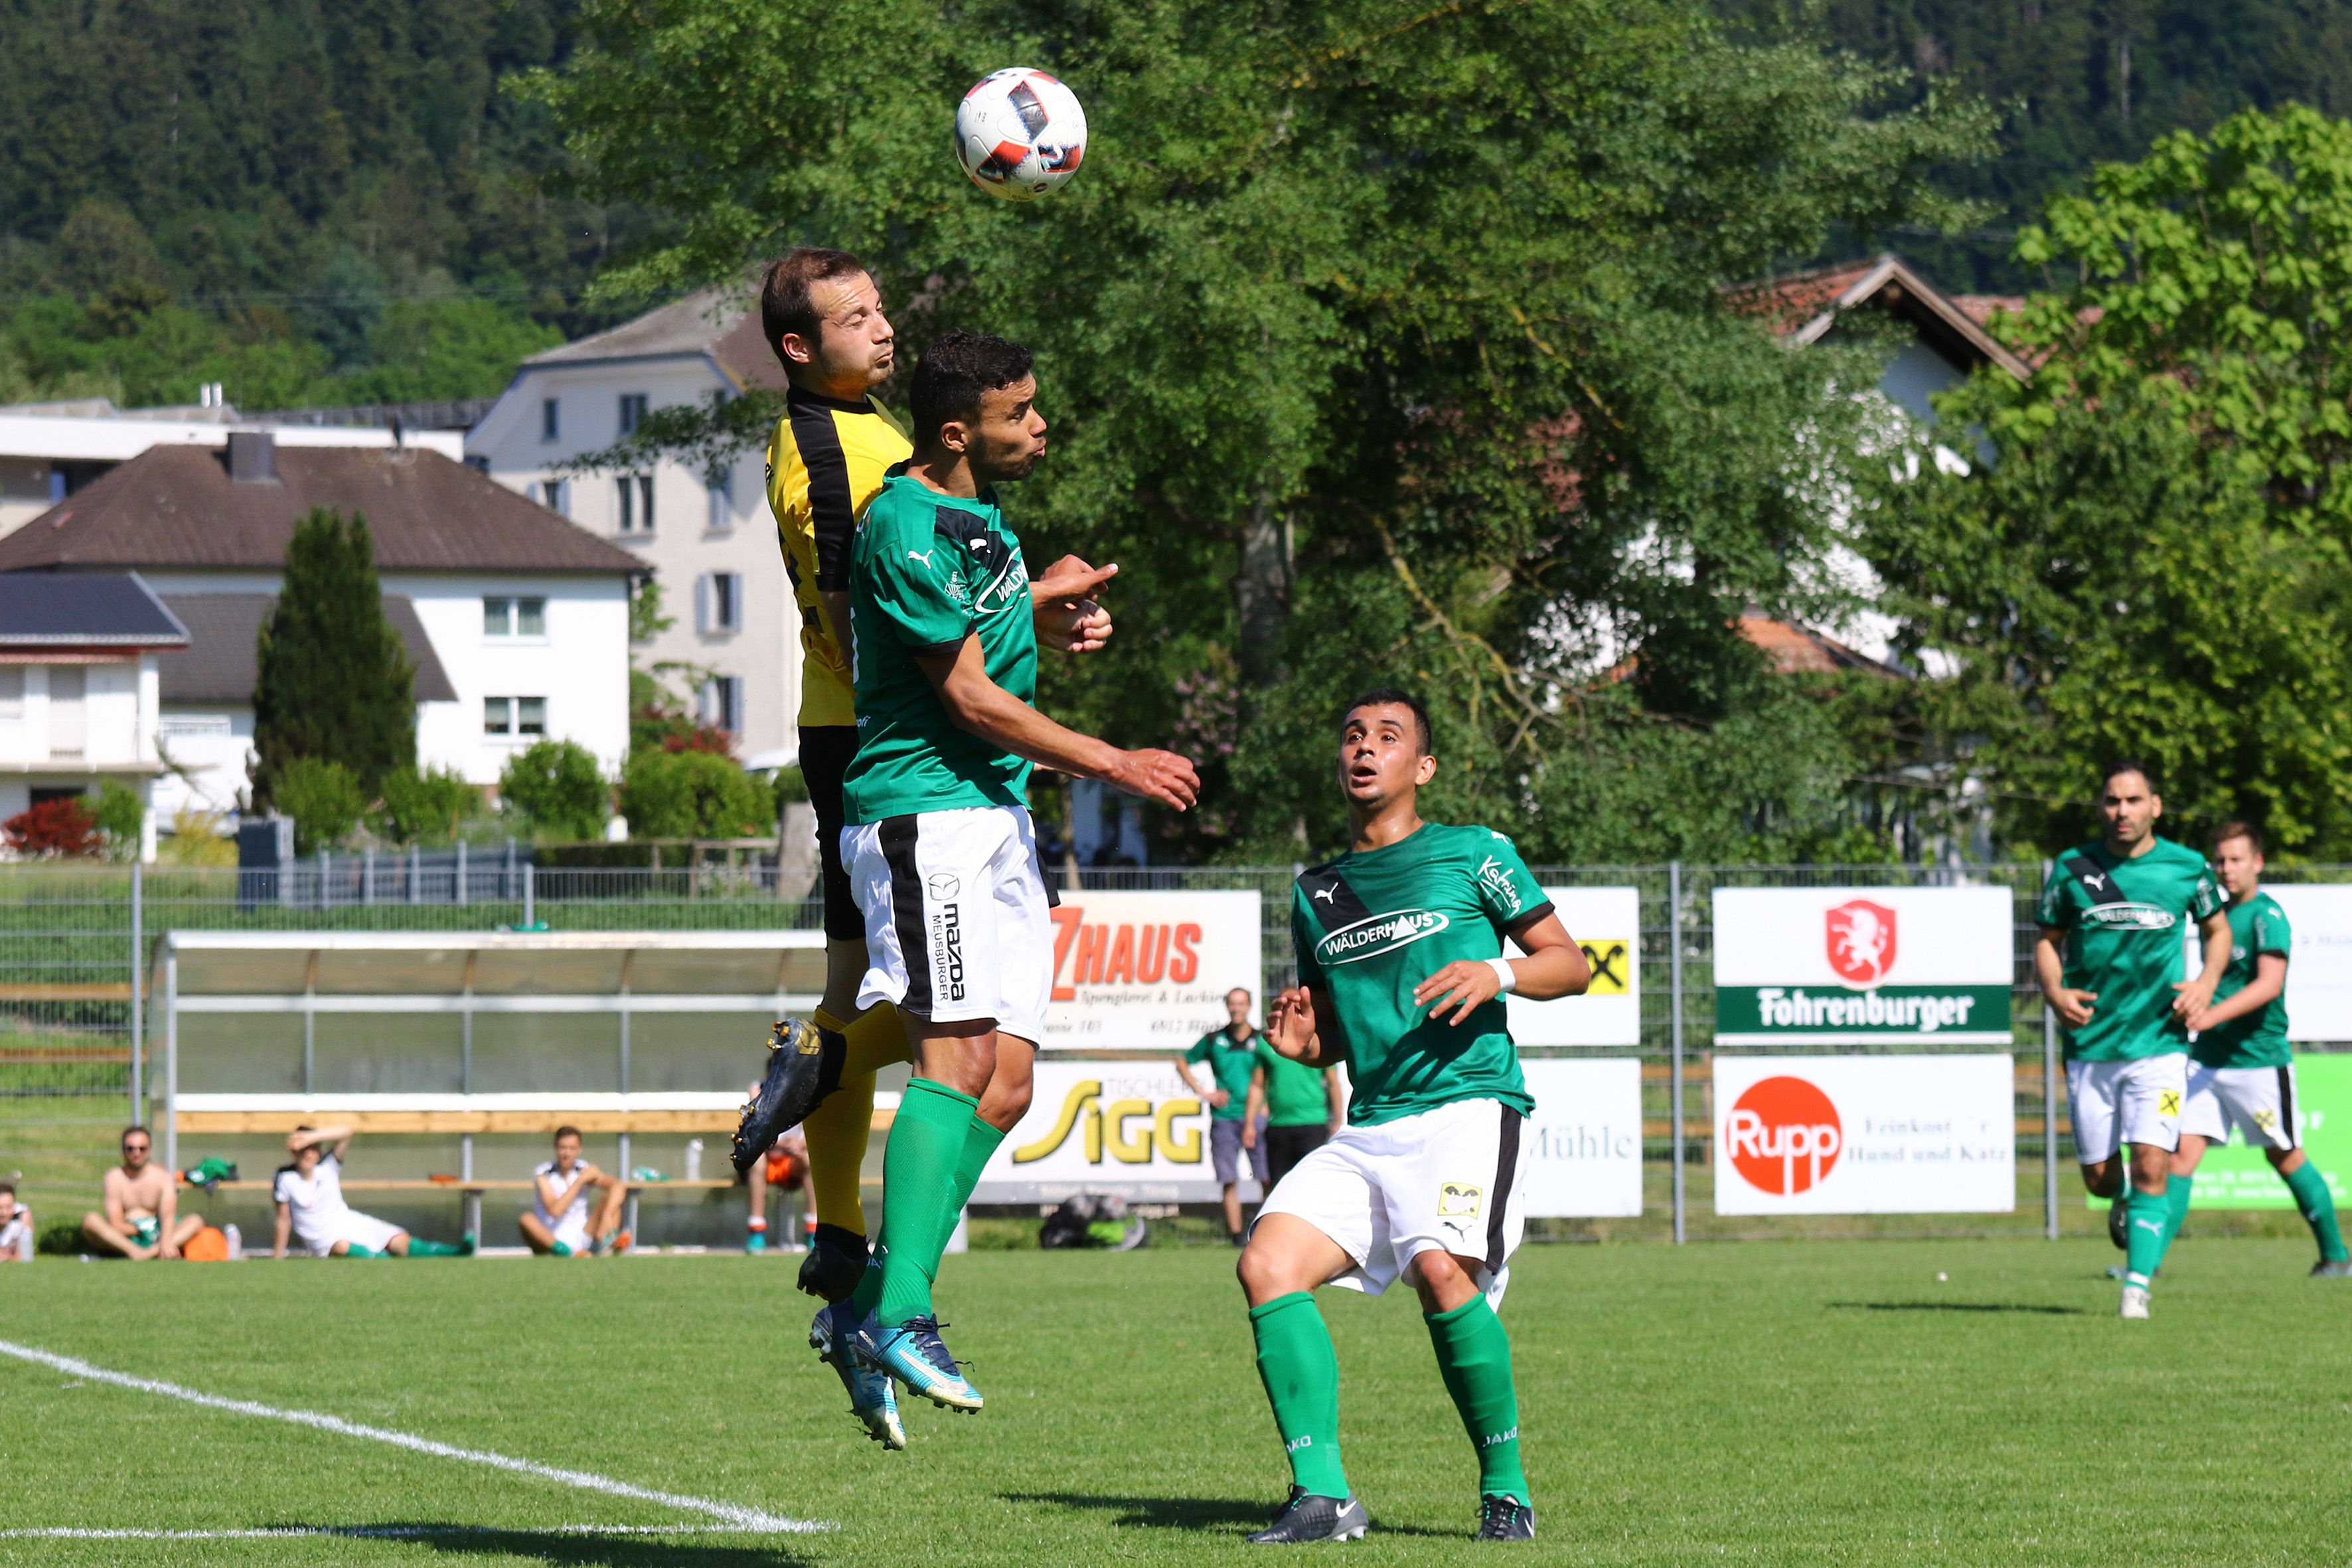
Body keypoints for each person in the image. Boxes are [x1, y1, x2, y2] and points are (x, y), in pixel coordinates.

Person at [811, 329, 1198, 1449]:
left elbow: (979, 641)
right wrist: (1114, 759)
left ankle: (870, 1305)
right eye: (1018, 413)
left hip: (997, 819)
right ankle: (900, 1309)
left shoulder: (981, 519)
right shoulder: (901, 522)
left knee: (1008, 1085)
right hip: (923, 818)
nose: (1039, 426)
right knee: (953, 1064)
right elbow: (968, 698)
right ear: (955, 431)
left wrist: (1046, 612)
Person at [734, 249, 1126, 1314]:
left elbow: (930, 597)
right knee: (892, 1009)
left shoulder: (869, 430)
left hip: (921, 744)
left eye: (880, 308)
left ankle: (854, 1239)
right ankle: (844, 1226)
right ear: (797, 347)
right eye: (854, 317)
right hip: (875, 740)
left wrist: (1023, 606)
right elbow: (866, 619)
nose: (884, 327)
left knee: (951, 1038)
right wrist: (1008, 634)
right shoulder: (825, 452)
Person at [1237, 688, 1589, 1544]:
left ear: (1422, 766)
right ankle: (1322, 1496)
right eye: (1353, 734)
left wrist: (1498, 972)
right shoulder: (1317, 890)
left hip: (1469, 1105)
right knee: (1266, 1263)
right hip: (1372, 1123)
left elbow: (1570, 964)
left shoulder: (1474, 853)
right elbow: (1332, 1031)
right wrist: (1305, 1046)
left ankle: (1506, 1492)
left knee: (1440, 1271)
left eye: (1387, 736)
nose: (1365, 748)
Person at [2035, 761, 2231, 1320]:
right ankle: (2119, 1201)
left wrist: (2205, 984)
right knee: (2100, 1180)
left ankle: (2136, 1289)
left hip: (2161, 1045)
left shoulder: (2186, 867)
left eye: (2133, 800)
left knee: (2151, 1164)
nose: (2121, 811)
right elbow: (2047, 940)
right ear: (2100, 807)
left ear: (2155, 806)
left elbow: (2217, 930)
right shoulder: (2073, 868)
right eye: (2111, 801)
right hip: (2090, 1047)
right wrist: (2053, 991)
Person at [2171, 823, 2351, 1276]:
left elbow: (2269, 985)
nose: (2226, 869)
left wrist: (2209, 1015)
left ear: (2257, 863)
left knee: (2284, 1155)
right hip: (2208, 1061)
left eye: (2236, 860)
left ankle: (2336, 1257)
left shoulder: (2265, 915)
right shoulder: (2218, 918)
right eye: (2219, 861)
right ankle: (2144, 1265)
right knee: (2179, 1156)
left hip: (2258, 1064)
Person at [271, 1127, 471, 1259]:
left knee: (399, 1241)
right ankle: (383, 1261)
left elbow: (347, 1131)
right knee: (342, 1247)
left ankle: (455, 1252)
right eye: (303, 1149)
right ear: (294, 1152)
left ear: (318, 1150)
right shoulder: (285, 1177)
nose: (308, 1154)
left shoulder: (327, 1166)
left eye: (312, 1148)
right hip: (325, 1241)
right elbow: (283, 1219)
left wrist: (312, 1136)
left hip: (349, 1222)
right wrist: (278, 1257)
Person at [1177, 988, 1269, 1245]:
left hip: (1256, 1118)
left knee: (1266, 1177)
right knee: (1229, 1179)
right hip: (1224, 1118)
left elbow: (1274, 1071)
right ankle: (1237, 1236)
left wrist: (1267, 1102)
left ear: (1249, 1006)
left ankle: (1266, 1233)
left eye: (1241, 1003)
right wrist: (1205, 1093)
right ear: (1227, 1007)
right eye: (1232, 1004)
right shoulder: (1215, 1039)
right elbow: (1182, 1062)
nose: (1236, 1008)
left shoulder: (1262, 1040)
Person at [1247, 1020, 1346, 1193]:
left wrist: (1338, 1119)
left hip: (1313, 1123)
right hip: (1278, 1124)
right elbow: (1257, 1085)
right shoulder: (1267, 1040)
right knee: (1278, 1188)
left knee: (1313, 1186)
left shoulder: (1318, 1038)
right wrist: (1249, 1124)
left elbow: (1333, 1083)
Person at [82, 1125, 201, 1260]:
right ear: (123, 1151)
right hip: (126, 1236)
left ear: (150, 1150)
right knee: (90, 1220)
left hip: (158, 1233)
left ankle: (147, 1253)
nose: (136, 1153)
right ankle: (136, 1250)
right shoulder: (114, 1178)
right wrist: (139, 1228)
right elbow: (116, 1224)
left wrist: (164, 1239)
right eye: (130, 1149)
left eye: (142, 1149)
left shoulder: (163, 1177)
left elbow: (168, 1215)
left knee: (195, 1221)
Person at [521, 1127, 631, 1257]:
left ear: (580, 1149)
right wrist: (580, 1181)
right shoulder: (543, 1173)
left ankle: (609, 1243)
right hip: (550, 1238)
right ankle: (566, 1253)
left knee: (611, 1200)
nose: (567, 1154)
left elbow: (618, 1187)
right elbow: (555, 1211)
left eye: (572, 1149)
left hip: (583, 1235)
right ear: (555, 1147)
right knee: (526, 1219)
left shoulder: (583, 1168)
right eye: (563, 1148)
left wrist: (607, 1214)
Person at [745, 1124, 813, 1254]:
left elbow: (815, 1135)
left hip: (794, 1162)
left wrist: (799, 1144)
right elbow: (751, 1135)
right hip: (767, 1160)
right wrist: (779, 1144)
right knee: (757, 1162)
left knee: (809, 1159)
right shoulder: (758, 1109)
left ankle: (813, 1229)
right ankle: (756, 1231)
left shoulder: (804, 1109)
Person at [0, 1181, 33, 1262]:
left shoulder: (22, 1217)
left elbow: (24, 1256)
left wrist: (7, 1257)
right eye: (0, 1208)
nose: (4, 1213)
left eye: (8, 1207)